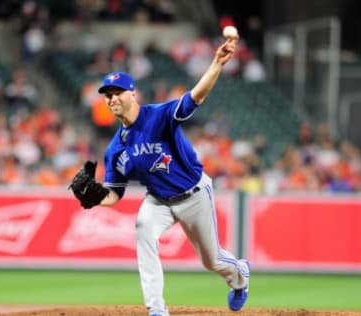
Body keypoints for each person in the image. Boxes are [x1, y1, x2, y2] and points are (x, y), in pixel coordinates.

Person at [75, 37, 250, 316]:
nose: (112, 98)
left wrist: (217, 62)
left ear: (133, 94)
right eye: (107, 95)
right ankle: (157, 310)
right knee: (143, 228)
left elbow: (197, 96)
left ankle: (239, 275)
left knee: (212, 261)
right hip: (158, 201)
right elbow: (114, 194)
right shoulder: (115, 149)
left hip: (194, 194)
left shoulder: (159, 115)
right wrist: (94, 198)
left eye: (117, 91)